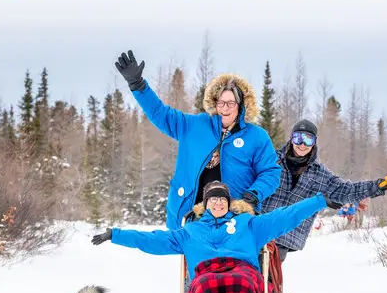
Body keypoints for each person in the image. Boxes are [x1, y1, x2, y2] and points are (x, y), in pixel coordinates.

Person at [91, 180, 328, 293]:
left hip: (243, 271)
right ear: (205, 204)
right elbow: (152, 239)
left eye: (222, 199)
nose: (218, 203)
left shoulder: (248, 223)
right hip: (206, 275)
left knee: (242, 281)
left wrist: (319, 201)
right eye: (213, 199)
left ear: (228, 202)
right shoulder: (190, 231)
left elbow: (286, 216)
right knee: (204, 284)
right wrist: (115, 234)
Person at [114, 51, 281, 230]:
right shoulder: (194, 126)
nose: (225, 108)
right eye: (221, 103)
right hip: (191, 218)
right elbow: (161, 114)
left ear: (241, 106)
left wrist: (253, 195)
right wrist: (138, 85)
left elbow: (270, 172)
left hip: (235, 221)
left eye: (231, 103)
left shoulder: (257, 136)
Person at [260, 118, 387, 261]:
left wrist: (381, 185)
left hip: (285, 238)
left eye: (308, 139)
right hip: (258, 228)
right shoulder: (271, 160)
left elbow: (348, 191)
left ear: (314, 143)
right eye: (298, 138)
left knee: (266, 273)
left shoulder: (320, 174)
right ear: (291, 139)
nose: (302, 144)